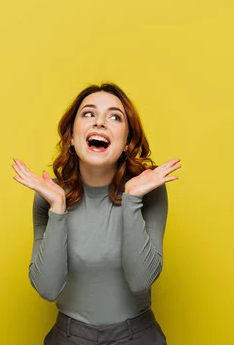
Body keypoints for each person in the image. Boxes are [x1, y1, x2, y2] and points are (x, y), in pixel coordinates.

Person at [12, 83, 180, 344]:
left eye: (115, 117)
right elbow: (47, 288)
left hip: (137, 337)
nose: (100, 123)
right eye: (89, 114)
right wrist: (58, 208)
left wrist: (132, 199)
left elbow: (141, 280)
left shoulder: (148, 191)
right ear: (71, 136)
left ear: (126, 142)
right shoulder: (49, 195)